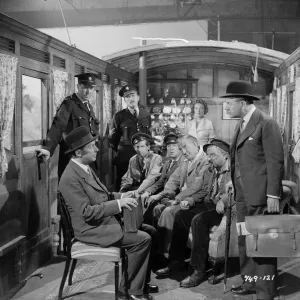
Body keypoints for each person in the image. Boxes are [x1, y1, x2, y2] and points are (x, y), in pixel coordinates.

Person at [59, 126, 157, 300]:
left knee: (150, 230)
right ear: (79, 152)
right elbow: (87, 212)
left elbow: (103, 196)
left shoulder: (84, 168)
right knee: (143, 239)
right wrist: (119, 204)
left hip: (102, 222)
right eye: (92, 147)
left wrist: (122, 195)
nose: (97, 149)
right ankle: (129, 291)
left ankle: (140, 284)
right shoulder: (70, 178)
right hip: (91, 229)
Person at [221, 80, 284, 300]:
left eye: (229, 103)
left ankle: (265, 291)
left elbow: (275, 161)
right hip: (241, 195)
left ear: (243, 102)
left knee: (263, 243)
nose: (226, 107)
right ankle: (250, 283)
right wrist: (232, 181)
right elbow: (241, 160)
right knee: (245, 240)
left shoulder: (266, 123)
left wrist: (273, 194)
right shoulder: (240, 124)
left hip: (260, 196)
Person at [179, 139, 232, 288]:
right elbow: (202, 190)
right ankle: (181, 261)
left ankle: (198, 270)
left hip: (225, 209)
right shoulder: (211, 169)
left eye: (213, 155)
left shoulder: (234, 170)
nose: (209, 158)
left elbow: (238, 190)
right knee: (182, 215)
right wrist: (190, 200)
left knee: (199, 220)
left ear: (225, 156)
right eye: (208, 155)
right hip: (210, 204)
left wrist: (224, 200)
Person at [153, 135, 210, 257]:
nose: (183, 151)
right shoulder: (185, 160)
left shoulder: (205, 160)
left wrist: (177, 199)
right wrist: (167, 194)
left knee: (168, 211)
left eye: (185, 147)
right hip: (180, 198)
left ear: (195, 144)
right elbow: (173, 180)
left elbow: (197, 186)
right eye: (181, 148)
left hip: (197, 200)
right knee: (158, 208)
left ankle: (167, 253)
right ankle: (163, 249)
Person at [36, 73, 100, 179]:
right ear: (78, 86)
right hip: (72, 157)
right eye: (85, 87)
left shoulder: (89, 106)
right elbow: (58, 126)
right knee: (70, 187)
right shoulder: (69, 104)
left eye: (91, 88)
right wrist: (48, 148)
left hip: (86, 155)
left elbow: (93, 129)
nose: (88, 91)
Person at [109, 84, 151, 190]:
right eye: (127, 97)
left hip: (143, 156)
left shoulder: (145, 114)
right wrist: (122, 151)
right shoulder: (118, 116)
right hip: (125, 157)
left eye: (132, 95)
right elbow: (113, 139)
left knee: (143, 182)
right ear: (124, 100)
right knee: (123, 182)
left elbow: (149, 135)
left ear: (138, 97)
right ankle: (120, 204)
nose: (130, 99)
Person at [140, 133, 185, 226]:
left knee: (154, 208)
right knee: (144, 201)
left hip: (175, 197)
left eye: (174, 145)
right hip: (164, 195)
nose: (171, 148)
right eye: (169, 146)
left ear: (180, 147)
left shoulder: (184, 163)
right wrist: (148, 191)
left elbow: (177, 186)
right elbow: (160, 182)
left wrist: (159, 196)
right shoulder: (167, 163)